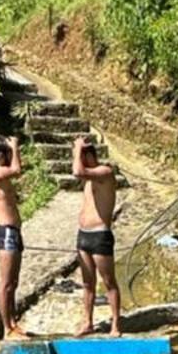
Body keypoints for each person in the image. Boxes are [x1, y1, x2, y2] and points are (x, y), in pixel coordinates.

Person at [72, 133, 122, 337]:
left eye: (82, 156)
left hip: (100, 235)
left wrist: (77, 148)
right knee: (87, 283)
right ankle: (87, 322)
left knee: (108, 282)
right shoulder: (89, 178)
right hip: (83, 235)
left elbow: (76, 171)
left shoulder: (104, 172)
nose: (79, 161)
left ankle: (116, 324)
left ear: (90, 156)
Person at [0, 133, 27, 339]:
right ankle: (6, 328)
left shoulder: (1, 171)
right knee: (6, 283)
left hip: (14, 231)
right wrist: (15, 146)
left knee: (14, 283)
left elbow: (17, 169)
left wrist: (14, 149)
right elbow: (17, 170)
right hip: (6, 232)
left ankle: (13, 322)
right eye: (8, 154)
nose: (11, 157)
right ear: (0, 155)